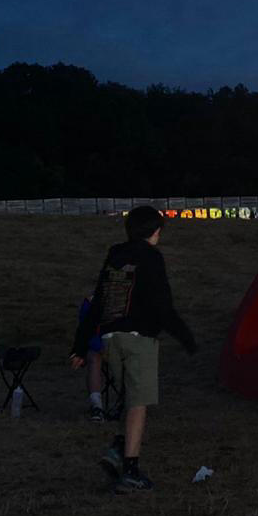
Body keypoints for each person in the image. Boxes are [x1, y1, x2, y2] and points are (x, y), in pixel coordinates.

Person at [71, 205, 197, 492]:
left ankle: (118, 447)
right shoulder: (151, 258)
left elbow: (99, 302)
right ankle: (130, 469)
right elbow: (162, 303)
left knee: (130, 398)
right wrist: (184, 336)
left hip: (110, 339)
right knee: (139, 404)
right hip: (138, 338)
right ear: (154, 231)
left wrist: (79, 346)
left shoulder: (115, 256)